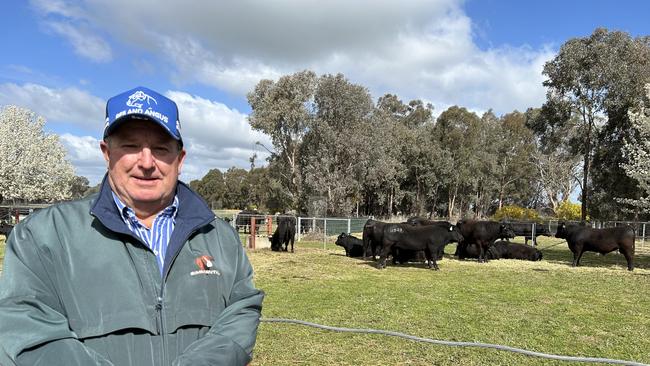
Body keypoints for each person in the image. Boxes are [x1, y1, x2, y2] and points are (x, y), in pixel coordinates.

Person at [0, 86, 264, 365]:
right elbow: (27, 328)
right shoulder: (43, 236)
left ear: (180, 159)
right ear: (106, 153)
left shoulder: (219, 237)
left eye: (161, 149)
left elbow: (241, 310)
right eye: (130, 146)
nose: (146, 162)